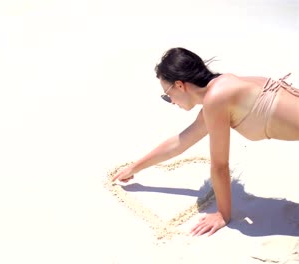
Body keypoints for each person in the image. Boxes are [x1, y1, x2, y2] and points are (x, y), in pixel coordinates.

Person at [111, 47, 299, 236]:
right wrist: (135, 167)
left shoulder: (217, 99)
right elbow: (180, 142)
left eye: (167, 95)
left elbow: (220, 165)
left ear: (179, 85)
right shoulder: (222, 89)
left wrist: (222, 214)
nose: (171, 101)